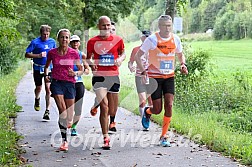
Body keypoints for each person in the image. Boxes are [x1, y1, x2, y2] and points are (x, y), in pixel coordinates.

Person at [135, 15, 188, 147]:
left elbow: (180, 54)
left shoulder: (175, 39)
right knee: (157, 109)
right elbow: (138, 56)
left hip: (169, 77)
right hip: (155, 78)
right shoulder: (152, 39)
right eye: (164, 25)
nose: (167, 28)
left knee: (169, 105)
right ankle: (147, 112)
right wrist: (143, 70)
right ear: (159, 26)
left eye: (169, 25)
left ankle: (164, 136)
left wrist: (182, 64)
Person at [86, 16, 125, 149]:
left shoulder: (118, 40)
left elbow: (123, 53)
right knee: (105, 107)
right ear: (99, 26)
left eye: (108, 25)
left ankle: (108, 120)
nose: (107, 28)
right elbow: (88, 58)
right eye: (104, 26)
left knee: (112, 110)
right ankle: (105, 137)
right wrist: (92, 65)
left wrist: (120, 59)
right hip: (99, 77)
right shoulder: (92, 41)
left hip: (113, 76)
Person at [44, 29, 83, 151]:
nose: (64, 40)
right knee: (63, 113)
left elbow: (81, 69)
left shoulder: (73, 53)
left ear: (69, 39)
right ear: (58, 39)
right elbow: (46, 67)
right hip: (56, 83)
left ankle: (69, 124)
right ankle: (64, 141)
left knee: (69, 115)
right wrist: (46, 75)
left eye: (66, 37)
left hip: (70, 84)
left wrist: (75, 72)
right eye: (62, 37)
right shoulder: (52, 53)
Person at [25, 25, 56, 120]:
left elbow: (55, 54)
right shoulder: (35, 42)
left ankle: (47, 111)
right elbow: (26, 54)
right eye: (44, 34)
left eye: (47, 34)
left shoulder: (52, 42)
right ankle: (37, 98)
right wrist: (38, 55)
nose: (46, 36)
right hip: (38, 68)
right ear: (40, 33)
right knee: (38, 87)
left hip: (49, 68)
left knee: (48, 88)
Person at [128, 30, 153, 131]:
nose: (146, 39)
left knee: (151, 102)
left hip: (151, 77)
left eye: (148, 37)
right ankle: (145, 120)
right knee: (142, 99)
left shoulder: (154, 50)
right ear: (141, 38)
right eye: (145, 37)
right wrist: (131, 67)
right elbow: (130, 62)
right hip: (139, 76)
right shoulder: (136, 50)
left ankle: (147, 116)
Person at [69, 35, 89, 136]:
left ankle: (73, 127)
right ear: (70, 43)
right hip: (68, 83)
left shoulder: (82, 55)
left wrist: (82, 71)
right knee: (69, 106)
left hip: (78, 82)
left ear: (79, 43)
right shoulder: (66, 54)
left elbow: (87, 69)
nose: (75, 44)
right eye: (73, 42)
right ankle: (67, 122)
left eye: (77, 42)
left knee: (78, 107)